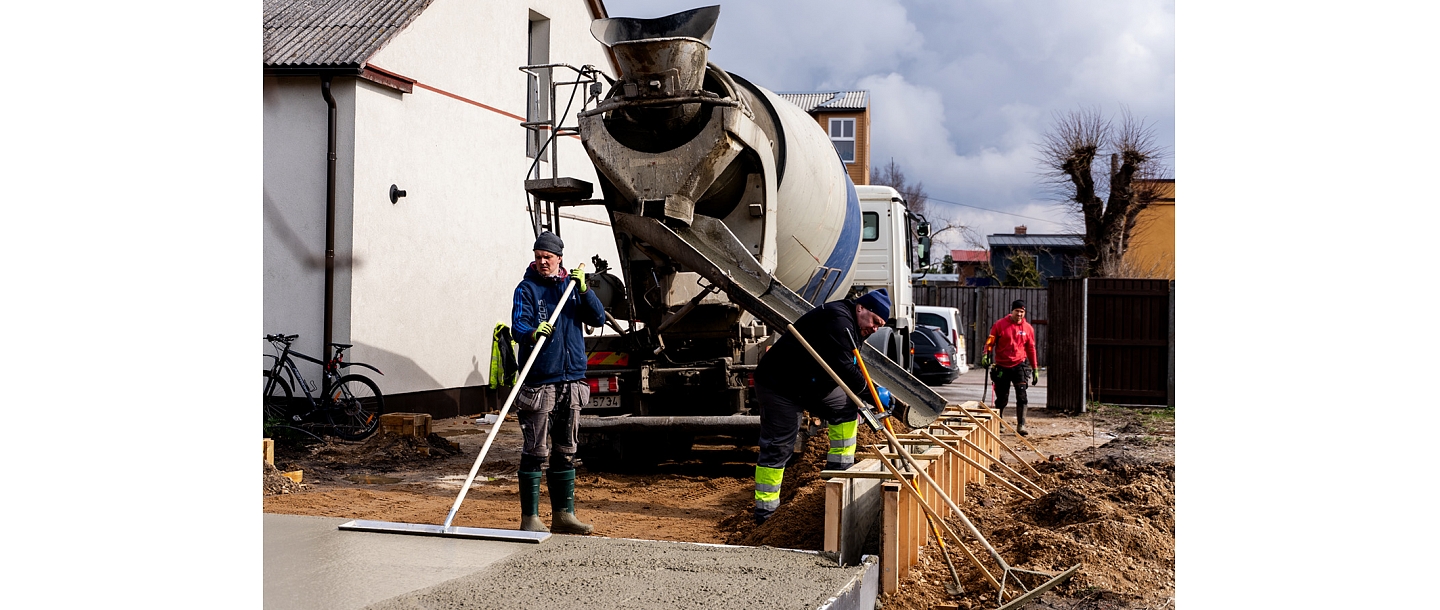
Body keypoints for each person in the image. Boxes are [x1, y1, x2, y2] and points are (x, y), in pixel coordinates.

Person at [750, 288, 892, 525]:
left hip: (811, 383)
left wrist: (873, 390)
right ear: (861, 308)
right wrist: (874, 393)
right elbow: (846, 370)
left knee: (847, 409)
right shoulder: (838, 321)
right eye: (875, 321)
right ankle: (766, 513)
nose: (875, 328)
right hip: (780, 385)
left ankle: (839, 472)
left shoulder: (854, 326)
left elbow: (852, 365)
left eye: (880, 325)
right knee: (779, 445)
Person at [510, 231, 607, 534]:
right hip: (540, 382)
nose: (542, 262)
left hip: (572, 380)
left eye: (547, 258)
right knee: (536, 451)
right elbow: (517, 325)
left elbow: (598, 319)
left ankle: (564, 514)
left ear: (559, 259)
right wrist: (530, 333)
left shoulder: (571, 288)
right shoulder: (527, 288)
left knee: (565, 449)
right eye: (538, 257)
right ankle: (530, 518)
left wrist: (586, 289)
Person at [979, 299, 1040, 436]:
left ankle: (1021, 425)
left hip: (1020, 365)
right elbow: (990, 341)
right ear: (1012, 311)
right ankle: (999, 423)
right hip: (1002, 365)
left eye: (1022, 312)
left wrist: (1035, 368)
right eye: (1017, 311)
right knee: (1002, 397)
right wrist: (986, 354)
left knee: (1022, 395)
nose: (1019, 314)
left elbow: (1031, 349)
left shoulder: (1028, 328)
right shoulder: (1000, 325)